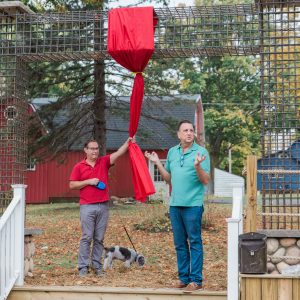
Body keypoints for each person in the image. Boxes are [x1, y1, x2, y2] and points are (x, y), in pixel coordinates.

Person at [145, 120, 210, 292]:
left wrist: (197, 166)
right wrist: (157, 163)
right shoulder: (173, 152)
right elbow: (168, 179)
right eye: (185, 130)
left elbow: (205, 180)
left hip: (193, 205)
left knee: (194, 242)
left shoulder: (201, 152)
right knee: (180, 244)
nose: (189, 133)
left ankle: (196, 280)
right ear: (179, 134)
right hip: (175, 205)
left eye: (191, 130)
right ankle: (184, 278)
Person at [69, 137, 133, 277]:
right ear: (85, 150)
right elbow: (72, 184)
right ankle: (83, 268)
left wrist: (128, 142)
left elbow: (118, 153)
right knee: (87, 237)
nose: (95, 151)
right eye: (92, 148)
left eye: (97, 148)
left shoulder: (103, 162)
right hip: (87, 206)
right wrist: (89, 181)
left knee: (99, 238)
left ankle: (97, 266)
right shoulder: (79, 166)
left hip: (103, 206)